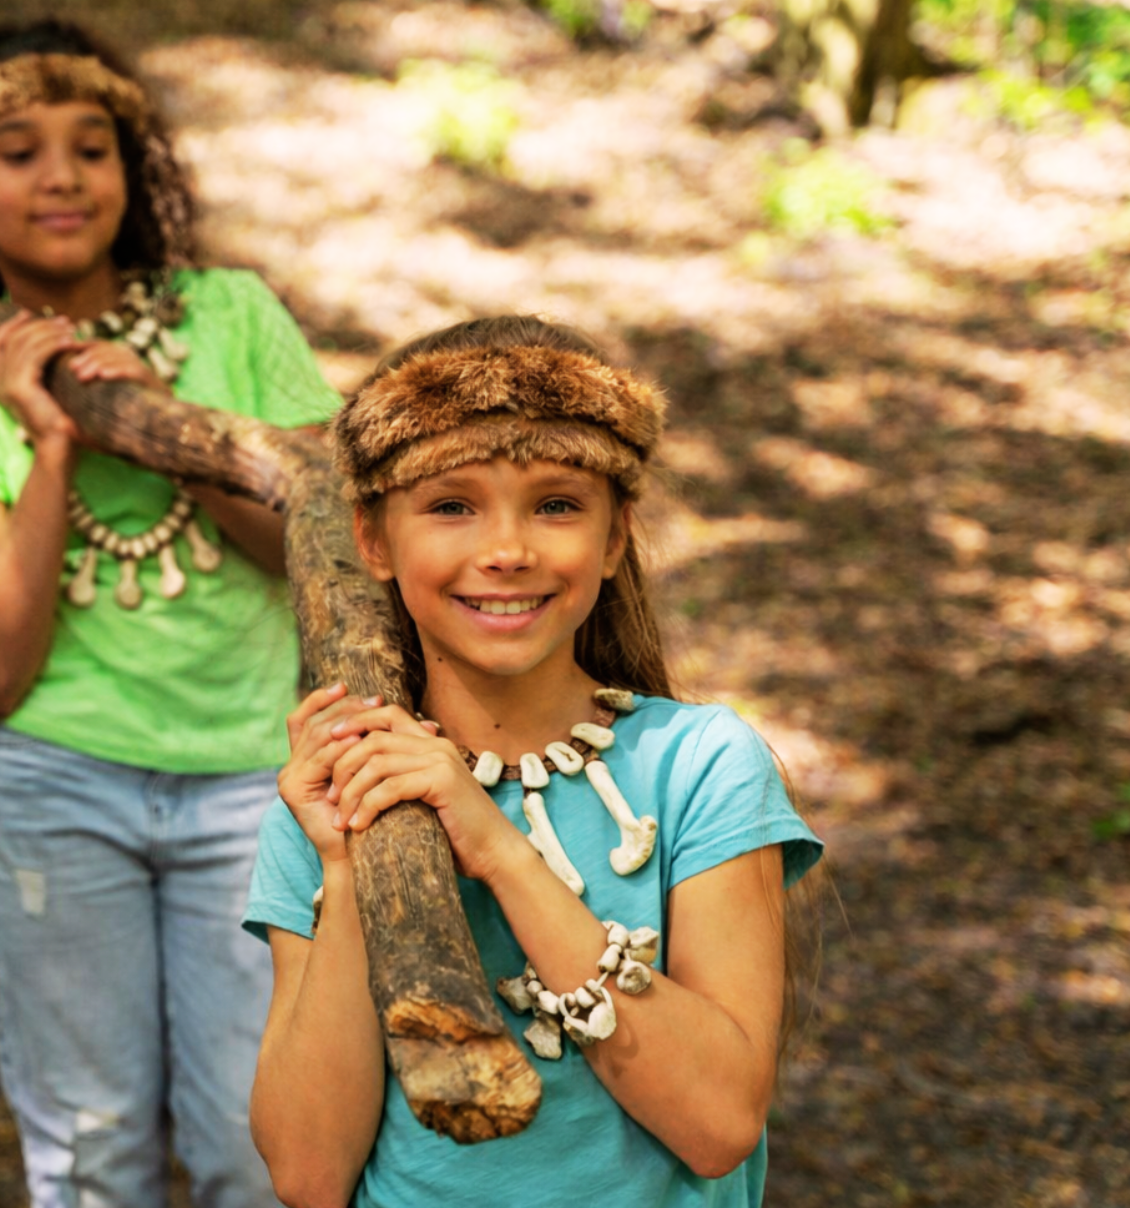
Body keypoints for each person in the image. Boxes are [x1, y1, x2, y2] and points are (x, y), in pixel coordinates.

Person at [0, 18, 342, 1208]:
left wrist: (178, 433)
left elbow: (331, 549)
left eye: (91, 147)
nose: (62, 177)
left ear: (132, 174)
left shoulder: (232, 316)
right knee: (91, 1150)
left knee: (258, 1142)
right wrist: (52, 445)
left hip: (254, 780)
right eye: (18, 152)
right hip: (54, 786)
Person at [245, 316, 824, 1208]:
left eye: (557, 504)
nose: (508, 550)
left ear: (614, 536)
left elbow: (717, 1125)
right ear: (372, 540)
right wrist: (350, 865)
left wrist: (499, 850)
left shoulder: (700, 766)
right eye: (451, 505)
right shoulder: (336, 790)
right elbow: (308, 1175)